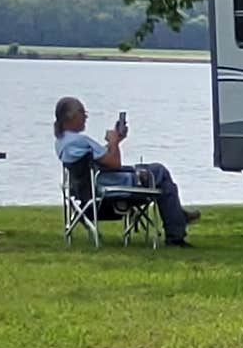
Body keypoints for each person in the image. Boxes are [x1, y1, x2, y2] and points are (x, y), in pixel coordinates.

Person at [54, 94, 191, 244]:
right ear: (70, 116)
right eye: (82, 113)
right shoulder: (79, 141)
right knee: (160, 172)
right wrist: (113, 142)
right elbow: (114, 164)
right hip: (111, 188)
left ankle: (177, 221)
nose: (86, 117)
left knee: (164, 184)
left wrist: (117, 140)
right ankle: (176, 230)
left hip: (87, 191)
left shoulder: (63, 142)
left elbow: (101, 159)